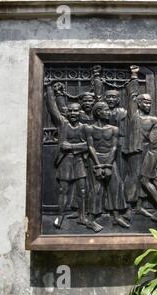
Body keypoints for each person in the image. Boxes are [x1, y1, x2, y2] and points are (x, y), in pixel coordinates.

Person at [45, 82, 102, 232]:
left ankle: (82, 217)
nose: (73, 113)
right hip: (65, 161)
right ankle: (60, 215)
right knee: (63, 190)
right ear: (67, 113)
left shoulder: (85, 127)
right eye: (70, 111)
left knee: (82, 190)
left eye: (76, 111)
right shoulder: (63, 123)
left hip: (79, 161)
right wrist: (49, 89)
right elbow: (52, 108)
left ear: (80, 112)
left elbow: (89, 146)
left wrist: (71, 146)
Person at [85, 101, 129, 228]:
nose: (109, 112)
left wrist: (108, 166)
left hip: (110, 159)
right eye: (106, 110)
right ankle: (90, 219)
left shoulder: (114, 129)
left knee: (115, 186)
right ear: (99, 112)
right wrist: (98, 166)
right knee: (96, 189)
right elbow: (90, 147)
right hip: (95, 159)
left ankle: (116, 216)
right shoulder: (89, 129)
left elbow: (114, 147)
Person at [123, 65, 157, 219]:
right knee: (133, 176)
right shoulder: (134, 116)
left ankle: (140, 205)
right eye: (145, 102)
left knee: (143, 178)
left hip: (148, 151)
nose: (148, 105)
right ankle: (128, 206)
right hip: (135, 151)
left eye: (150, 103)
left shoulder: (154, 119)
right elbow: (132, 95)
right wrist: (134, 76)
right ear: (138, 104)